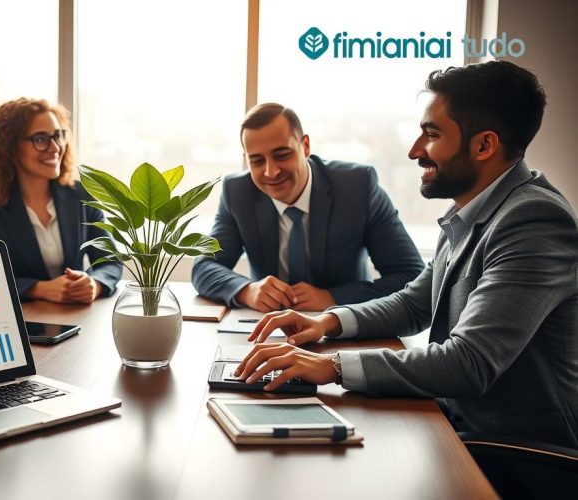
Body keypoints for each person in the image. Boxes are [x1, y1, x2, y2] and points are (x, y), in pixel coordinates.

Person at [235, 61, 578, 447]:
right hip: (460, 427)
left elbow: (469, 362)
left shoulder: (533, 220)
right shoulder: (473, 210)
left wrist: (331, 366)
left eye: (431, 134)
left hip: (519, 451)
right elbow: (414, 304)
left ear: (484, 145)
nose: (415, 151)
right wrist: (326, 323)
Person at [192, 103, 424, 311]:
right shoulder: (237, 192)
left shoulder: (357, 187)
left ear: (305, 146)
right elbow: (204, 267)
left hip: (344, 327)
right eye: (257, 160)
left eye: (282, 155)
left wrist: (332, 297)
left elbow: (411, 275)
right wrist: (247, 291)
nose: (271, 172)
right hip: (266, 331)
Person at [0, 98, 121, 303]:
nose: (55, 147)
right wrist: (39, 289)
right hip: (28, 323)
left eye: (58, 136)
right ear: (10, 147)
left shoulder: (81, 196)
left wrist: (95, 284)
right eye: (40, 139)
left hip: (77, 317)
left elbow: (110, 262)